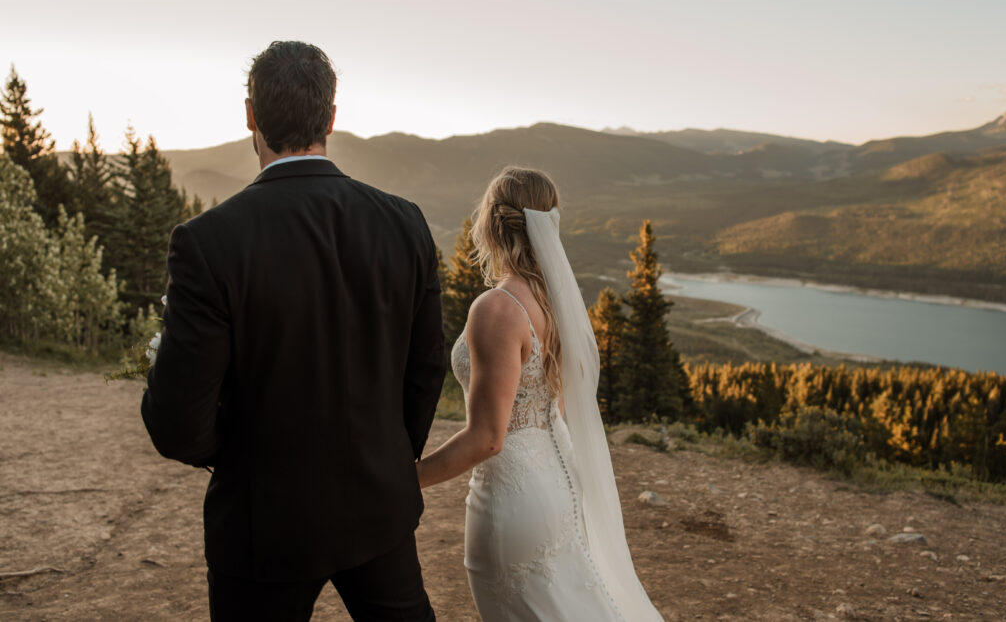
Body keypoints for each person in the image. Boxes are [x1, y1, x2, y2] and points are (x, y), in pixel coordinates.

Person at [141, 40, 444, 622]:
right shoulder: (403, 222)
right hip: (378, 507)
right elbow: (425, 369)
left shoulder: (209, 242)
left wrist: (239, 456)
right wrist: (383, 455)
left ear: (250, 115)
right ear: (331, 118)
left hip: (263, 522)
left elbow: (178, 425)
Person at [416, 166, 663, 621]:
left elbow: (488, 437)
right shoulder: (554, 299)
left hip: (514, 495)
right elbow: (557, 402)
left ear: (491, 224)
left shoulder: (497, 308)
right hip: (559, 480)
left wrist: (408, 479)